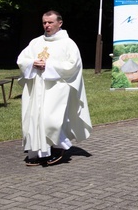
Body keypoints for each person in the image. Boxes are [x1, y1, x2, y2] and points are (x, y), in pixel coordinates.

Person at [16, 10, 92, 166]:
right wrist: (32, 63)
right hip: (37, 86)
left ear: (60, 23)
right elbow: (22, 59)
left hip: (57, 87)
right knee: (34, 119)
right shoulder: (36, 42)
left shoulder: (68, 44)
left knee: (51, 119)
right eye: (44, 22)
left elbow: (73, 65)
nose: (47, 25)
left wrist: (48, 65)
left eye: (50, 22)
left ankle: (59, 147)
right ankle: (38, 151)